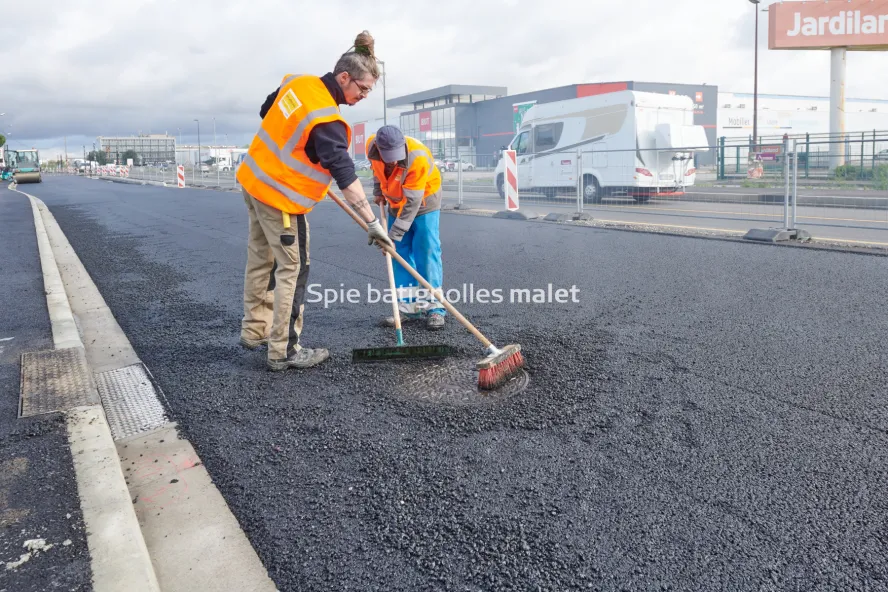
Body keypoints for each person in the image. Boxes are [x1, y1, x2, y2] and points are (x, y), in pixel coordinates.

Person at [236, 31, 394, 371]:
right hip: (281, 199)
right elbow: (345, 176)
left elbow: (267, 111)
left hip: (254, 183)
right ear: (344, 77)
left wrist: (305, 149)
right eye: (363, 88)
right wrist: (372, 223)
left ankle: (255, 330)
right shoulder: (327, 120)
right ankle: (284, 350)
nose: (364, 96)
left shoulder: (298, 83)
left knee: (262, 260)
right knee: (293, 269)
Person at [366, 125, 445, 330]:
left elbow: (412, 202)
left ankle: (434, 308)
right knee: (398, 255)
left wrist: (393, 236)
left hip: (424, 204)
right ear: (378, 148)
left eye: (396, 156)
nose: (393, 161)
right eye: (388, 157)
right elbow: (376, 171)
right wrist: (378, 190)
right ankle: (408, 308)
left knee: (426, 252)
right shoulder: (371, 146)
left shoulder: (417, 157)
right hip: (395, 203)